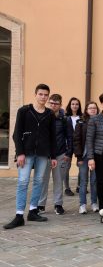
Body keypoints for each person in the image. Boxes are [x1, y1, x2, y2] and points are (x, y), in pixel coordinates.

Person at [4, 84, 57, 230]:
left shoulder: (50, 114)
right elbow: (16, 133)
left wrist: (53, 156)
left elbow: (52, 136)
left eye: (46, 95)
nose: (43, 97)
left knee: (39, 181)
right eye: (41, 94)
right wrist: (19, 153)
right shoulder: (24, 111)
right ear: (35, 94)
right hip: (26, 153)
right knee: (22, 182)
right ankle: (19, 215)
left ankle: (33, 211)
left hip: (42, 153)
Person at [38, 94, 72, 215]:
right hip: (45, 154)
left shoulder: (65, 119)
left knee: (58, 180)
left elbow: (70, 137)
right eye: (51, 103)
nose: (53, 105)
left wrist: (68, 153)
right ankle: (41, 205)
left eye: (56, 104)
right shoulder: (43, 117)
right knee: (43, 180)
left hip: (60, 154)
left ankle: (58, 204)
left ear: (60, 105)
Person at [73, 101, 99, 214]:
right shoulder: (81, 122)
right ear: (86, 110)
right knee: (83, 181)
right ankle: (82, 204)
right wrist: (78, 157)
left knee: (94, 181)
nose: (92, 110)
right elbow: (76, 140)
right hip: (83, 156)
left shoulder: (100, 121)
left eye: (94, 108)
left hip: (96, 156)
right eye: (90, 108)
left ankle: (94, 203)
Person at [64, 97, 82, 195]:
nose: (75, 106)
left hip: (79, 144)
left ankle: (79, 186)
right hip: (68, 144)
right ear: (69, 105)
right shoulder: (65, 118)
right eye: (73, 104)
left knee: (81, 166)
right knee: (67, 167)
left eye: (77, 104)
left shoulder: (82, 117)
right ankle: (67, 188)